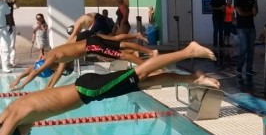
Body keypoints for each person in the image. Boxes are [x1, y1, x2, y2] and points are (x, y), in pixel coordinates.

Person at [0, 41, 218, 135]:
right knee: (144, 83)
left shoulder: (19, 116)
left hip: (89, 90)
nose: (30, 132)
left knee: (140, 72)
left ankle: (189, 51)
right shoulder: (12, 110)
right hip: (88, 89)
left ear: (16, 132)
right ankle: (194, 79)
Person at [10, 30, 157, 91]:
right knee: (120, 44)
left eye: (52, 71)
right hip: (91, 40)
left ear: (50, 68)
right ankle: (150, 53)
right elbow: (34, 68)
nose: (55, 71)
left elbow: (37, 71)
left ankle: (151, 66)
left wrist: (22, 85)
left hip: (92, 45)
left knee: (123, 56)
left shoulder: (56, 59)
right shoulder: (51, 55)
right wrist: (18, 78)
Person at [234, 0, 258, 76]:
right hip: (241, 27)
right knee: (244, 47)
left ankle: (249, 69)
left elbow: (255, 12)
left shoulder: (252, 0)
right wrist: (250, 13)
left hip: (251, 27)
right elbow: (240, 13)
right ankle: (239, 68)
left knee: (251, 49)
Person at [0, 0, 13, 72]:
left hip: (3, 27)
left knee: (5, 48)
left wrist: (10, 25)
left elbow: (8, 15)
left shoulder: (4, 4)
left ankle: (5, 66)